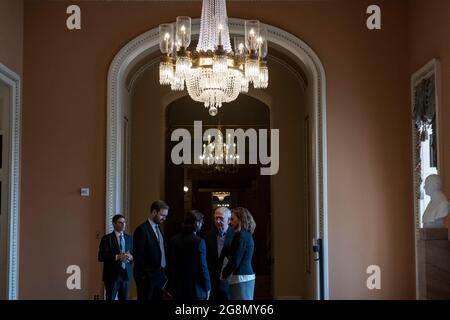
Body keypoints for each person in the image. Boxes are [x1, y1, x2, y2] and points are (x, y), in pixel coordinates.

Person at [170, 210, 211, 300]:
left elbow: (172, 265)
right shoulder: (199, 242)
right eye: (201, 221)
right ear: (196, 223)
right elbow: (203, 267)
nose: (202, 223)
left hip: (178, 288)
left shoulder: (174, 240)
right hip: (196, 288)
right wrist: (208, 287)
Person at [133, 200, 169, 300]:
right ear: (154, 212)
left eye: (165, 216)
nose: (164, 218)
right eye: (162, 215)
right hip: (146, 277)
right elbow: (138, 256)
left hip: (160, 275)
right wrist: (147, 275)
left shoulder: (160, 229)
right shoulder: (141, 230)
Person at [221, 207, 256, 300]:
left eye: (232, 219)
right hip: (244, 276)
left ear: (240, 219)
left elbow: (235, 260)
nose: (229, 222)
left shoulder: (241, 235)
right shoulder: (246, 235)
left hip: (241, 277)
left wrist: (224, 274)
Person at [98, 214, 133, 300]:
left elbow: (133, 254)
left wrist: (131, 257)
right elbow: (101, 256)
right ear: (114, 224)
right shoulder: (107, 238)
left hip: (126, 274)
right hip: (112, 276)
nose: (123, 224)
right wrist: (117, 257)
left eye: (124, 222)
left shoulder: (129, 238)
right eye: (120, 223)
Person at [205, 207, 234, 300]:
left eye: (221, 218)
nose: (218, 221)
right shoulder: (209, 235)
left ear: (229, 220)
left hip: (229, 279)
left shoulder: (235, 235)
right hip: (212, 279)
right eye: (216, 218)